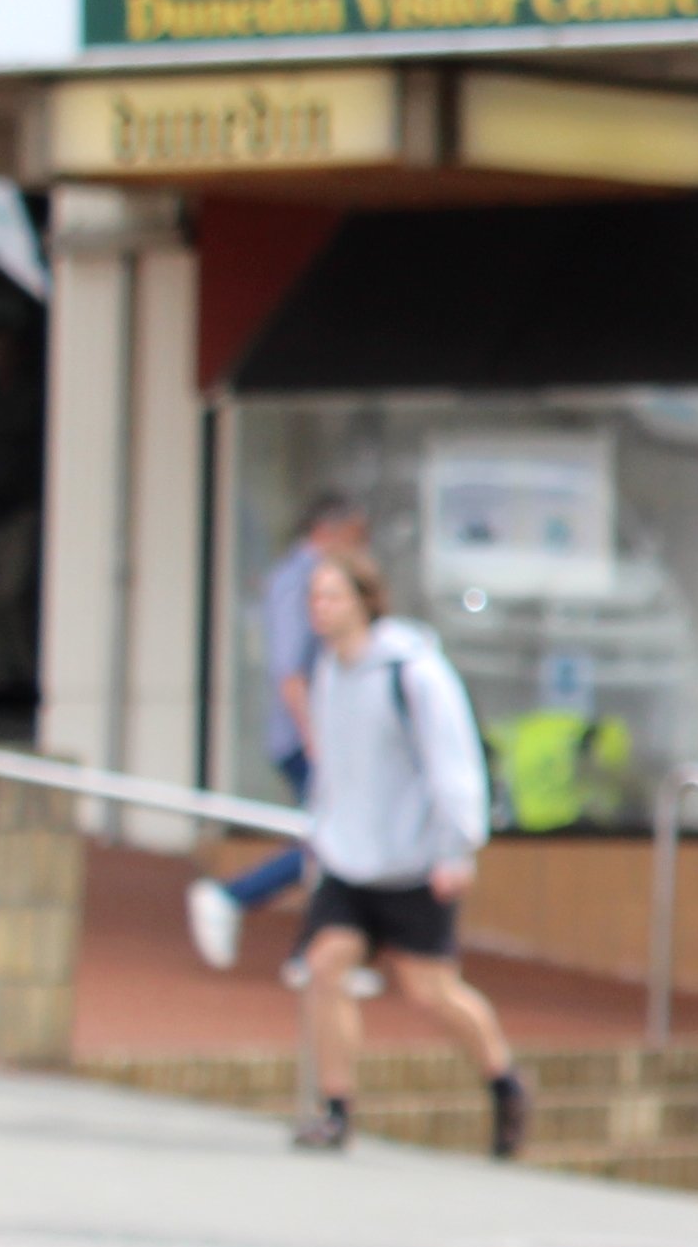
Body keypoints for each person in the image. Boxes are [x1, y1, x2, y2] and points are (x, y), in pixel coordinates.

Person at [283, 550, 525, 1162]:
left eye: (333, 596)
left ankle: (503, 1081)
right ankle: (336, 1109)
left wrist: (456, 847)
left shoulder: (413, 672)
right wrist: (321, 836)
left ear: (366, 601)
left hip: (414, 859)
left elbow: (453, 762)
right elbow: (333, 768)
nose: (321, 608)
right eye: (315, 598)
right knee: (326, 963)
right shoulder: (329, 670)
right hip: (348, 856)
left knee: (431, 991)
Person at [185, 490, 368, 973]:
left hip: (316, 733)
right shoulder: (300, 582)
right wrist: (317, 740)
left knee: (330, 842)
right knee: (329, 841)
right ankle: (238, 899)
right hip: (307, 736)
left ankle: (313, 950)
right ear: (328, 532)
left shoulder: (306, 578)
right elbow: (291, 673)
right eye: (355, 535)